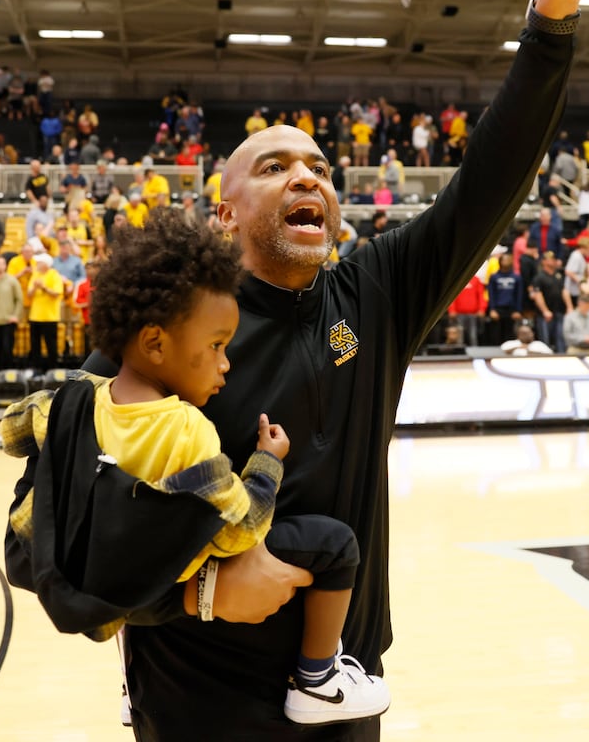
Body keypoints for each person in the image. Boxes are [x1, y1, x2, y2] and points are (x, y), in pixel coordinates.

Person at [25, 0, 589, 739]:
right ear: (225, 208)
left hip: (341, 681)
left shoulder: (373, 290)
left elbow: (487, 183)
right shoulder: (160, 333)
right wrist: (199, 592)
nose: (309, 179)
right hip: (196, 691)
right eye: (276, 166)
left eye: (322, 167)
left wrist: (553, 20)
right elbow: (50, 543)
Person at [76, 211, 388, 723]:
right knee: (336, 544)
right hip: (199, 603)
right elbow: (241, 519)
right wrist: (266, 463)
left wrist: (35, 420)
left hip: (143, 571)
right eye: (218, 348)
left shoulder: (83, 403)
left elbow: (33, 423)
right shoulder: (187, 425)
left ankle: (129, 684)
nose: (226, 362)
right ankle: (317, 679)